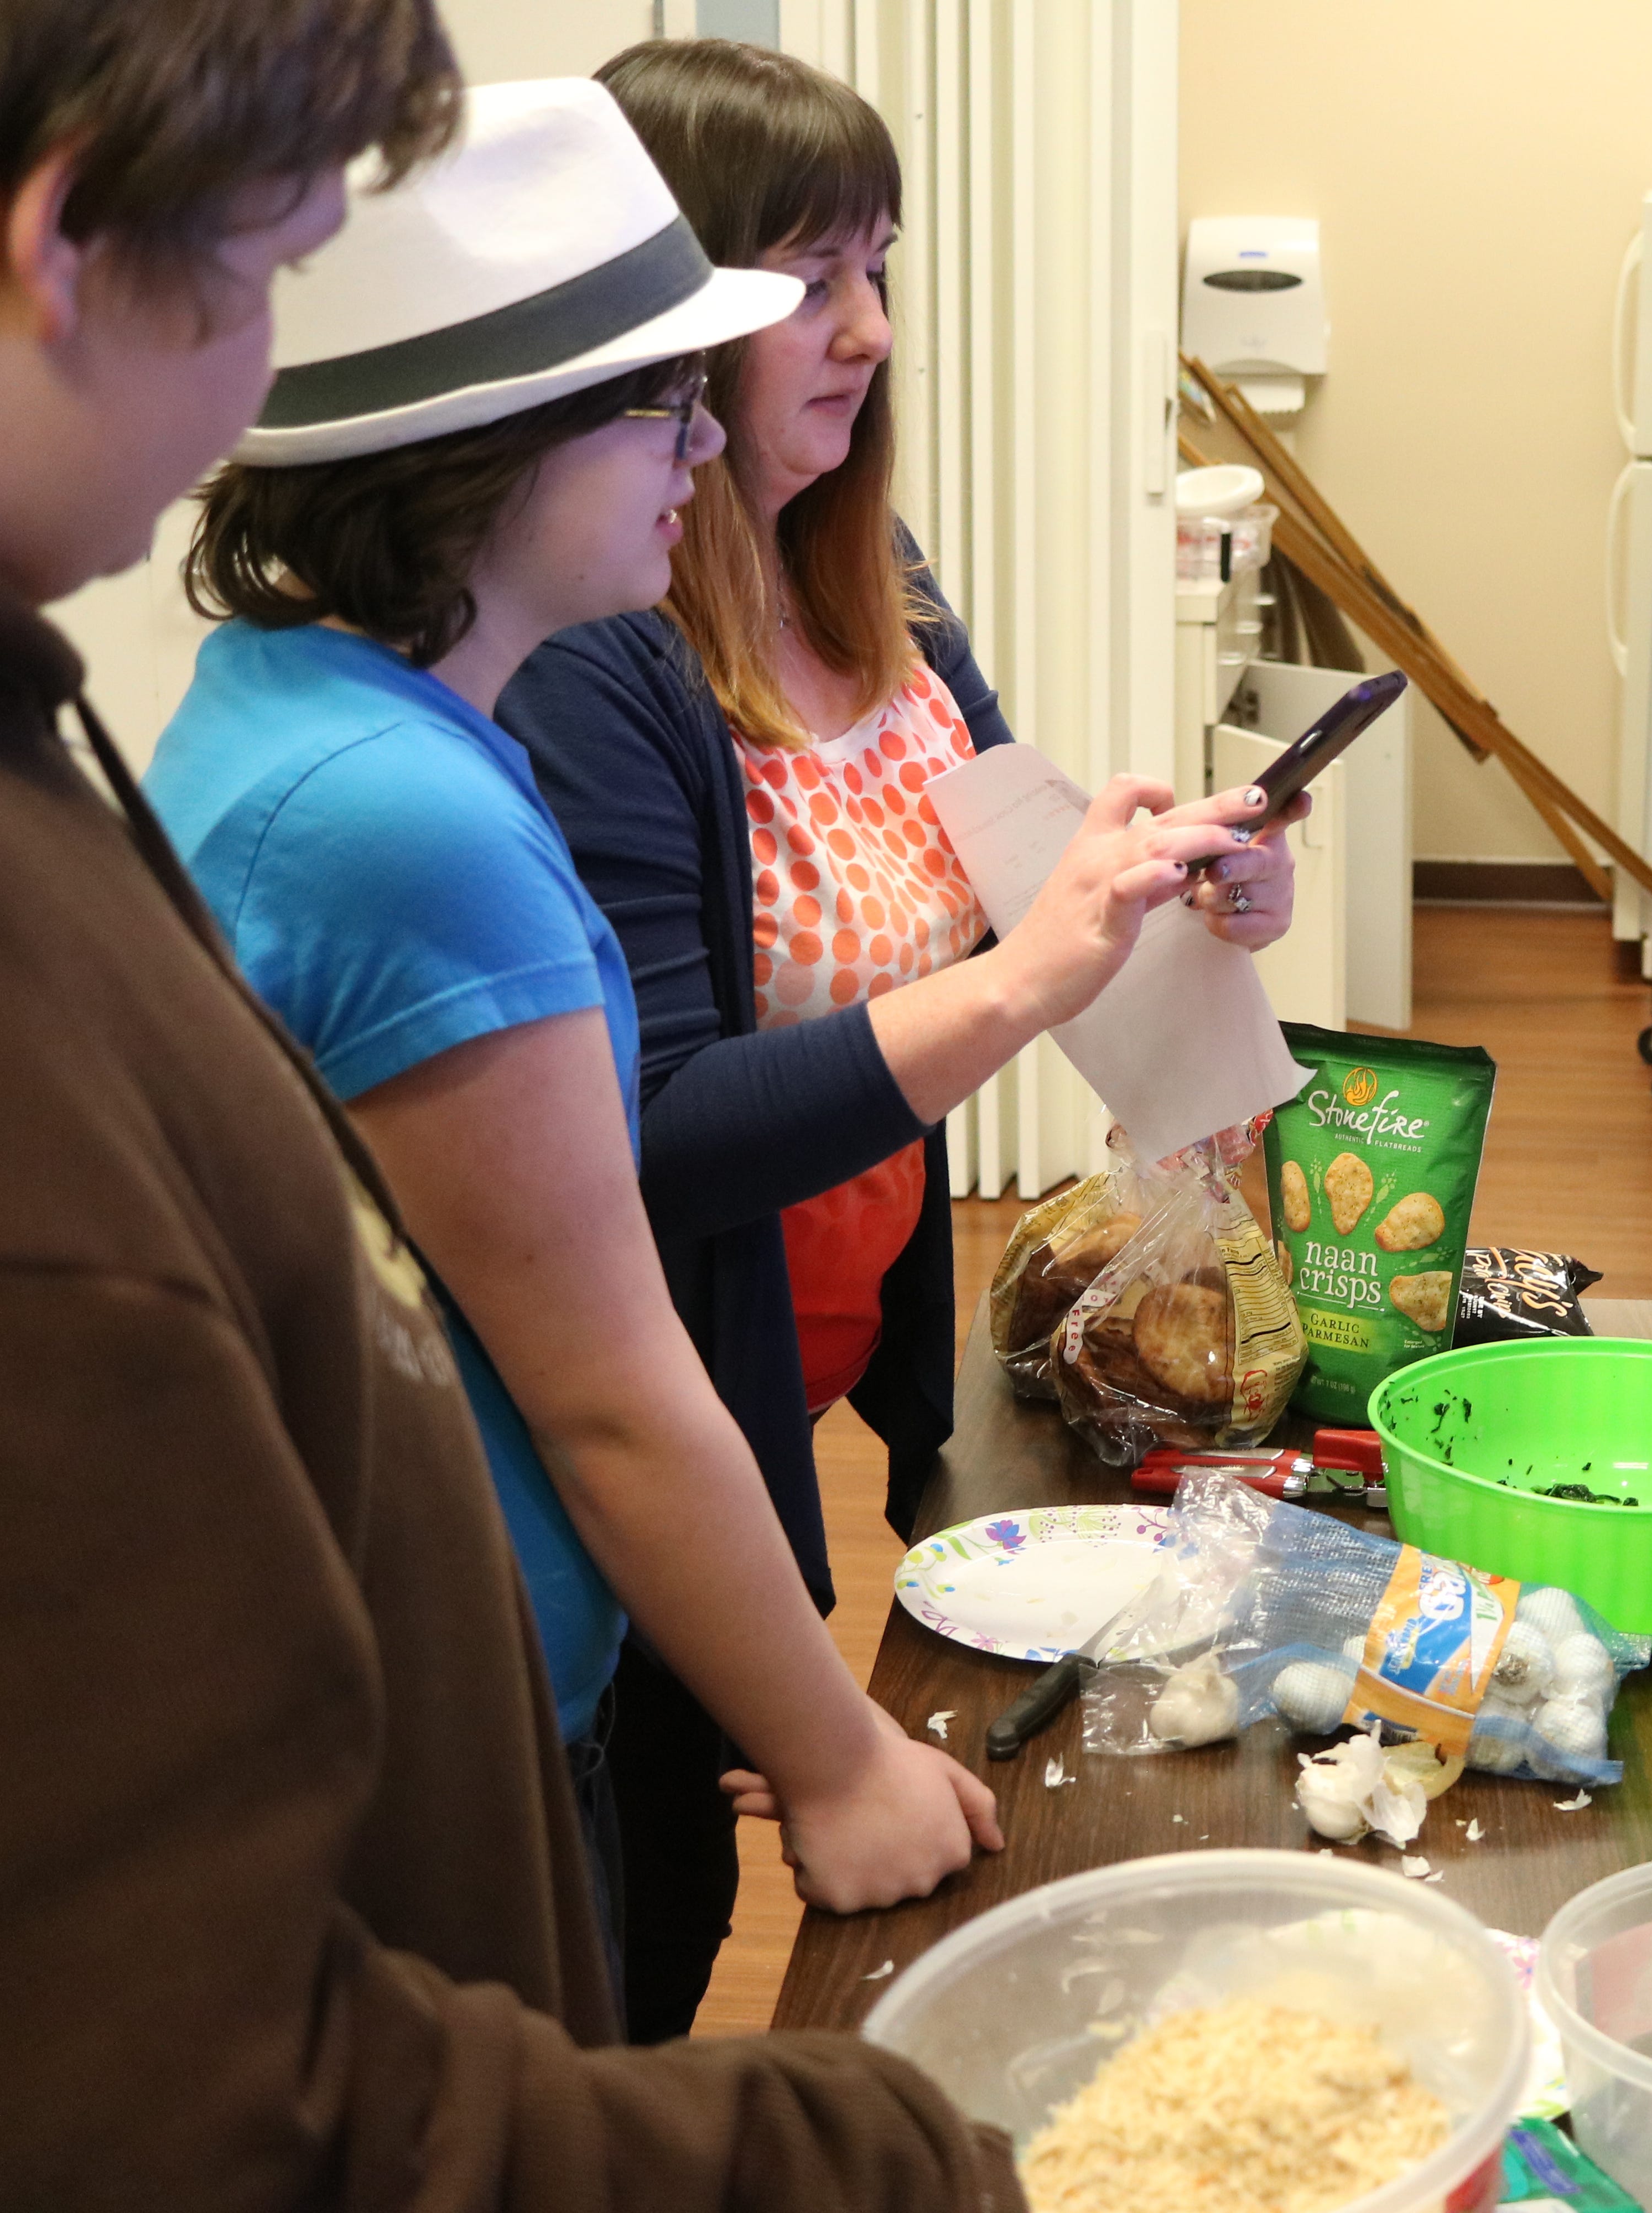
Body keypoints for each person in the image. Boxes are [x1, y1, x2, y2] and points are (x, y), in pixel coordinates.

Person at [0, 4, 1021, 2203]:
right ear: (68, 229)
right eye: (253, 277)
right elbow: (152, 2079)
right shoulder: (298, 826)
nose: (257, 380)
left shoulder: (85, 720)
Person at [492, 38, 1300, 2040]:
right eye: (804, 277)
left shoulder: (880, 584)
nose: (863, 330)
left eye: (879, 270)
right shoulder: (604, 655)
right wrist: (1031, 977)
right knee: (643, 1937)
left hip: (838, 1318)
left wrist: (1185, 897)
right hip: (661, 1381)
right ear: (662, 314)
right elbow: (658, 1134)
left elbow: (1009, 891)